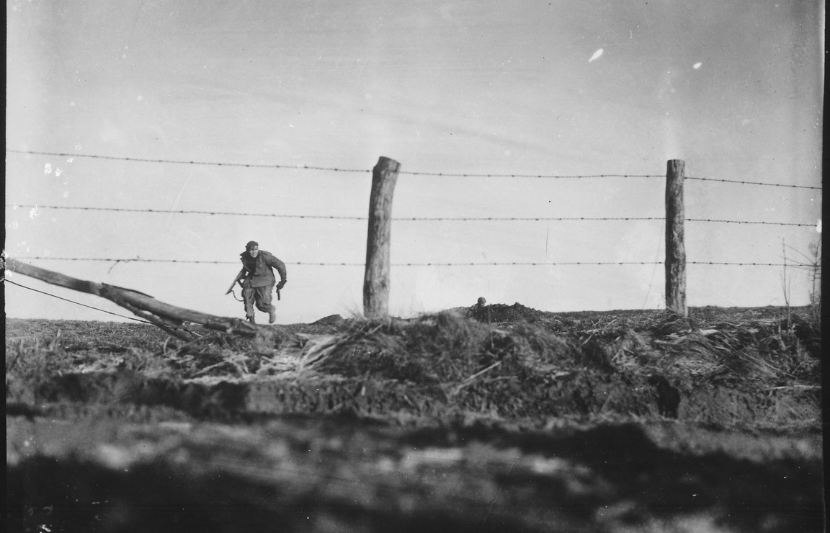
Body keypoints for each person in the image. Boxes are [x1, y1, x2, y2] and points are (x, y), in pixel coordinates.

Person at [226, 241, 287, 324]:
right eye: (251, 250)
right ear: (247, 250)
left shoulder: (266, 257)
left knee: (261, 305)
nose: (254, 252)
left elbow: (281, 265)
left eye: (256, 249)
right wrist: (239, 277)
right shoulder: (246, 257)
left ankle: (270, 310)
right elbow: (245, 268)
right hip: (251, 280)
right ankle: (251, 321)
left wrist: (282, 281)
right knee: (247, 295)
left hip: (265, 280)